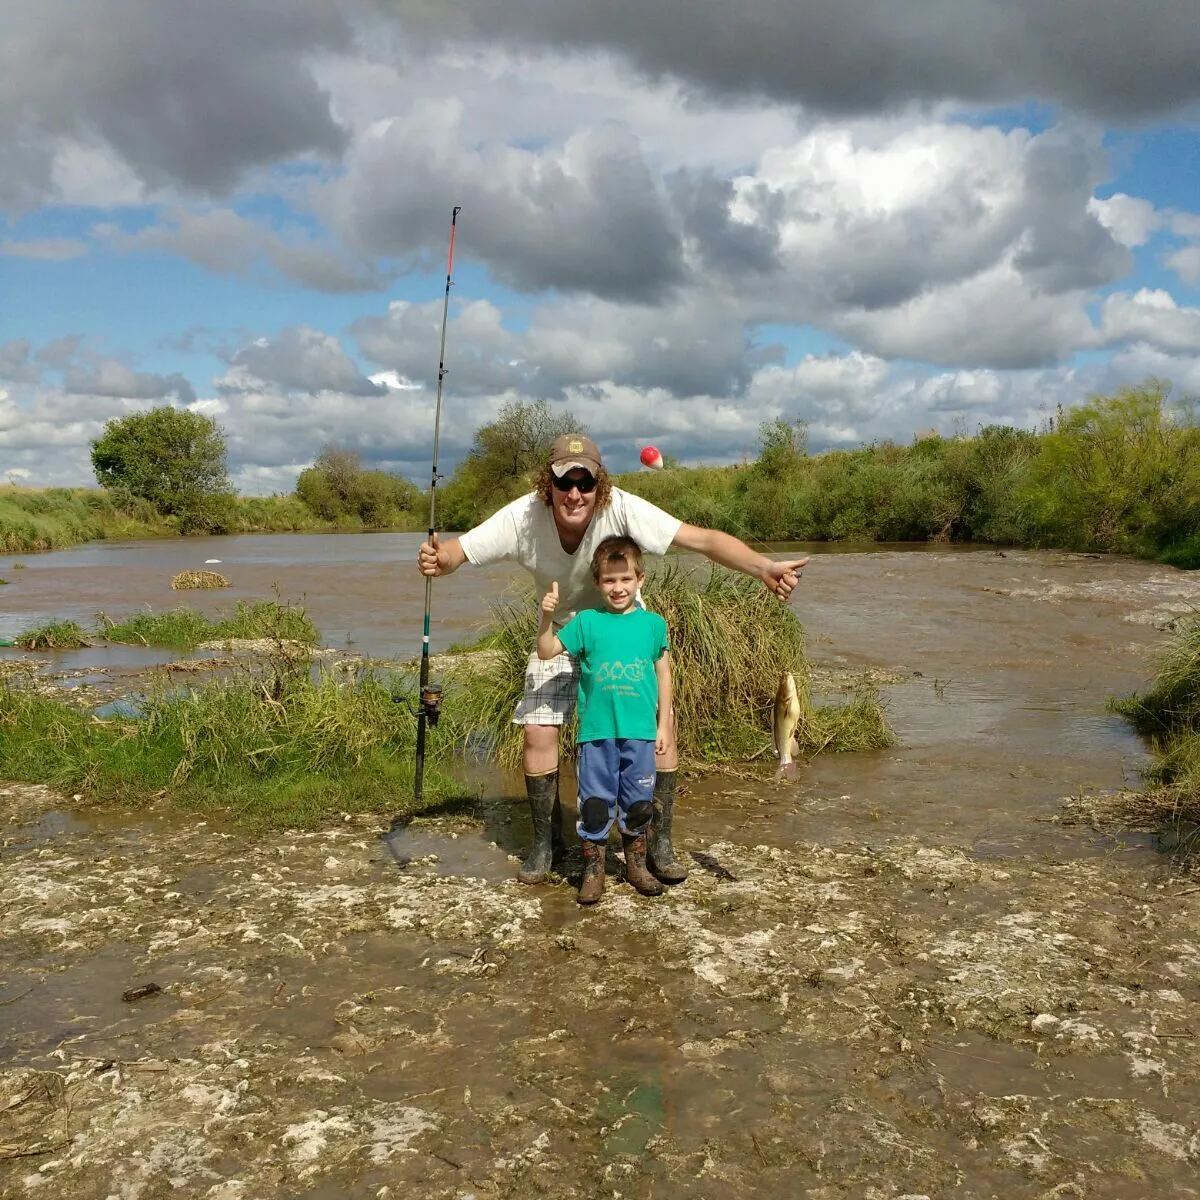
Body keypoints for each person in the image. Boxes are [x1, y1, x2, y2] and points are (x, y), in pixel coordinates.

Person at [417, 432, 809, 885]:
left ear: (600, 486)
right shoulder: (523, 517)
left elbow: (700, 540)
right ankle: (546, 844)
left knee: (662, 728)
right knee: (538, 730)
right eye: (565, 483)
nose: (576, 493)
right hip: (567, 631)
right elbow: (458, 551)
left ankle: (658, 842)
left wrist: (764, 568)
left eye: (586, 483)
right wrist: (438, 558)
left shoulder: (621, 507)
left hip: (624, 630)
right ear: (549, 485)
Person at [537, 537, 670, 904]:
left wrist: (663, 725)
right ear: (597, 583)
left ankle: (636, 865)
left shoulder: (654, 625)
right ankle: (593, 871)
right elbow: (546, 651)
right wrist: (547, 615)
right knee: (595, 804)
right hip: (596, 734)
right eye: (609, 581)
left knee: (639, 803)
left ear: (640, 580)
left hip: (641, 732)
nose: (618, 588)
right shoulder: (586, 623)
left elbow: (664, 675)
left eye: (625, 579)